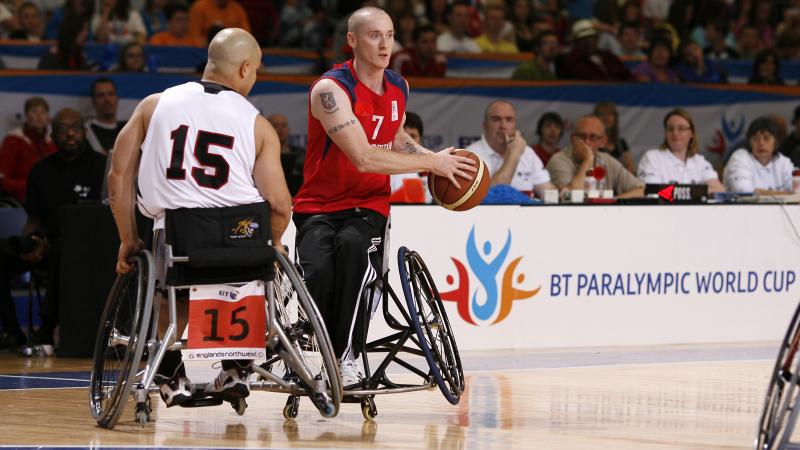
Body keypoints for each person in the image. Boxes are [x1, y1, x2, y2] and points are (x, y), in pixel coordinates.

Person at [107, 28, 292, 407]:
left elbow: (119, 175)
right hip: (240, 242)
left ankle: (169, 372)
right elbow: (279, 204)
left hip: (176, 237)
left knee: (168, 290)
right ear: (244, 69)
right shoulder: (257, 124)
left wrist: (128, 238)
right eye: (255, 71)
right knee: (249, 271)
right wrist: (271, 246)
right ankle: (237, 366)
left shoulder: (154, 104)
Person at [292, 6, 475, 385]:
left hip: (368, 205)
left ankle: (348, 355)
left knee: (355, 252)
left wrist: (429, 157)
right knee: (321, 275)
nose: (385, 43)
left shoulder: (399, 86)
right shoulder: (331, 90)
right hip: (318, 205)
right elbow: (362, 156)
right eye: (374, 35)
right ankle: (319, 348)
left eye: (390, 34)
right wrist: (430, 165)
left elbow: (395, 136)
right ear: (352, 41)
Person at [6, 108, 107, 350]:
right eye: (63, 129)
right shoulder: (40, 170)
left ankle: (47, 329)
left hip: (90, 249)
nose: (69, 134)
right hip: (46, 243)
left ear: (84, 131)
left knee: (66, 247)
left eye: (75, 128)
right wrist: (30, 242)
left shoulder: (102, 166)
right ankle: (12, 332)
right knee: (3, 253)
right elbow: (33, 218)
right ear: (53, 135)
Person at [466, 100, 555, 199]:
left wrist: (564, 193)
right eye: (496, 119)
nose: (503, 126)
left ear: (515, 126)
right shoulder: (470, 156)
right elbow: (490, 198)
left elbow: (549, 193)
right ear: (484, 126)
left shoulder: (527, 152)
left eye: (509, 120)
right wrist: (514, 155)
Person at [546, 115, 644, 198]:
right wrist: (588, 160)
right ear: (572, 138)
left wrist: (614, 201)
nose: (587, 142)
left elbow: (643, 190)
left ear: (603, 142)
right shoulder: (558, 160)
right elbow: (573, 197)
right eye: (582, 136)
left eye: (593, 137)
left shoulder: (607, 160)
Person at [637, 108, 725, 192]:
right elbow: (651, 192)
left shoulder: (700, 161)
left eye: (681, 128)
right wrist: (696, 193)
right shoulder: (652, 158)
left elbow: (719, 189)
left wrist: (684, 193)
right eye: (670, 129)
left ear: (691, 133)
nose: (675, 133)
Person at [0, 97, 57, 203]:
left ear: (48, 117)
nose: (39, 116)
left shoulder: (53, 142)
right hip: (21, 201)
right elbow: (3, 181)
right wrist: (30, 186)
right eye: (34, 111)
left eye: (43, 112)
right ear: (26, 116)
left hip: (51, 202)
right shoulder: (13, 140)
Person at [724, 116, 795, 194]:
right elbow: (744, 192)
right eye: (755, 139)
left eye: (766, 138)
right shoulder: (740, 158)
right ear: (749, 142)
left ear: (776, 142)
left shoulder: (783, 162)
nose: (761, 143)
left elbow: (797, 189)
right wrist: (787, 194)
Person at [558, 19, 633, 81]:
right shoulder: (572, 60)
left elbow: (628, 76)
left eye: (592, 38)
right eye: (584, 39)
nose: (589, 42)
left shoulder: (609, 56)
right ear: (576, 42)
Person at [389, 111, 432, 204]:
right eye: (404, 136)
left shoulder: (429, 170)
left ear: (420, 139)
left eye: (413, 136)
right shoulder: (382, 164)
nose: (408, 142)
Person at [266, 113, 304, 196]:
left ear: (289, 129)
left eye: (284, 125)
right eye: (275, 125)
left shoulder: (301, 154)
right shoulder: (261, 156)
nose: (280, 129)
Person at [87, 78, 126, 156]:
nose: (107, 99)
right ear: (93, 101)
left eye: (111, 94)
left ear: (117, 99)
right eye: (101, 95)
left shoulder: (128, 128)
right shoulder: (86, 131)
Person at [593, 101, 635, 174]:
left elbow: (631, 169)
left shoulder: (621, 143)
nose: (606, 118)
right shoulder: (590, 142)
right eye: (602, 114)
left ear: (615, 118)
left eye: (610, 114)